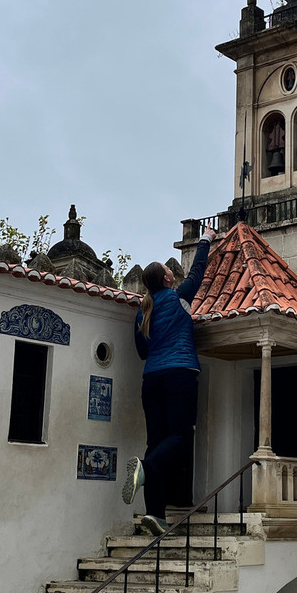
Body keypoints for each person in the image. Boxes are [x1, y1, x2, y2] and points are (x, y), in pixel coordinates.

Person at [123, 226, 216, 535]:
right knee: (180, 437)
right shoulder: (177, 299)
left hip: (151, 380)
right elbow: (198, 273)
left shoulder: (142, 311)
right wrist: (206, 240)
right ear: (166, 278)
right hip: (180, 373)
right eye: (167, 269)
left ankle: (155, 515)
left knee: (156, 442)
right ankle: (146, 469)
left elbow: (141, 351)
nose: (170, 271)